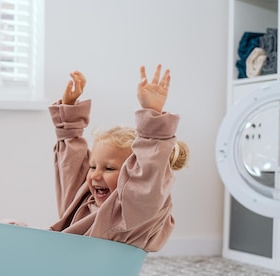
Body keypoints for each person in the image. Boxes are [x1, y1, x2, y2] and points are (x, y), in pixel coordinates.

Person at [48, 65, 188, 251]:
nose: (95, 175)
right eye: (93, 167)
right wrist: (69, 112)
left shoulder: (130, 214)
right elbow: (70, 168)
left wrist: (152, 115)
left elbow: (147, 177)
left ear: (135, 177)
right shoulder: (83, 201)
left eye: (109, 168)